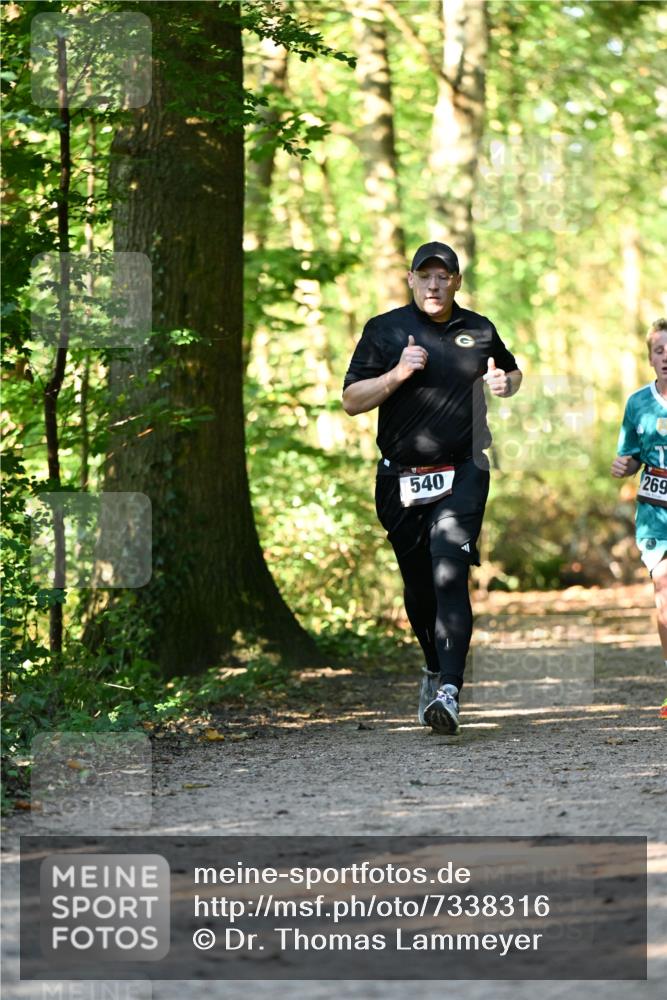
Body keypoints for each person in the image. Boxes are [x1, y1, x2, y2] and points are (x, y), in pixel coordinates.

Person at [342, 241, 522, 735]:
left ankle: (449, 689)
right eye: (426, 276)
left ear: (457, 282)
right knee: (420, 587)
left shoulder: (479, 329)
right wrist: (399, 372)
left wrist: (508, 382)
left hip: (463, 471)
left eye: (445, 277)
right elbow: (352, 400)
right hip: (399, 478)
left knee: (449, 572)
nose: (435, 285)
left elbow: (509, 369)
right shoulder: (385, 330)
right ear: (411, 279)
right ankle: (431, 664)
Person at [611, 317, 667, 720]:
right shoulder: (638, 403)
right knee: (664, 591)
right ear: (650, 358)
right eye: (659, 350)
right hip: (655, 511)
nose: (666, 357)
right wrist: (624, 464)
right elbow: (630, 454)